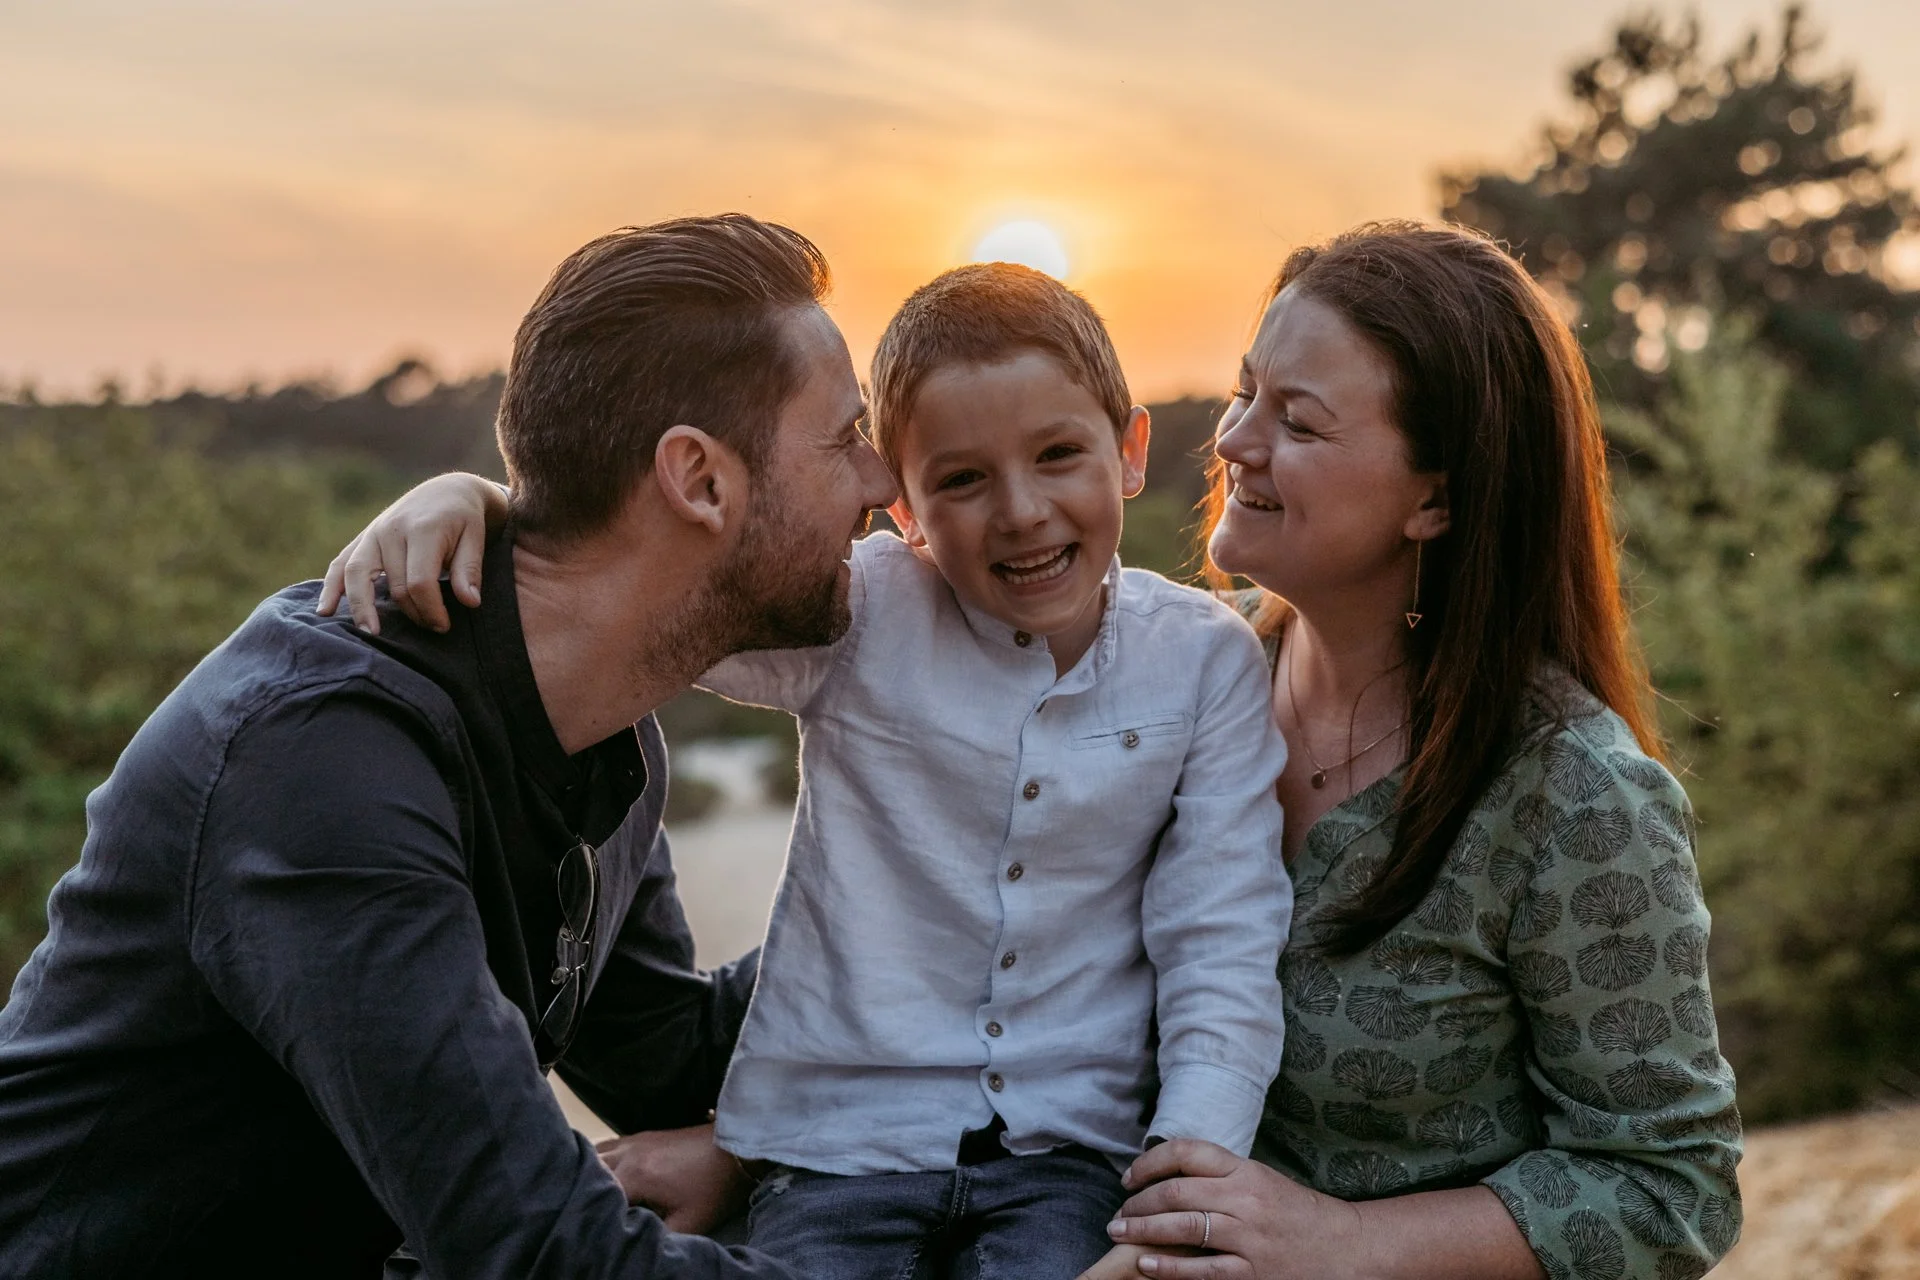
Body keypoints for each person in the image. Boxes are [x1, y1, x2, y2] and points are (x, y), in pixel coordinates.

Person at [319, 261, 1295, 1279]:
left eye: (1059, 454)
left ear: (1130, 450)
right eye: (960, 478)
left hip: (1069, 1155)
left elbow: (1218, 931)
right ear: (900, 502)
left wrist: (1186, 1187)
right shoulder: (864, 613)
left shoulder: (1204, 658)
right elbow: (640, 604)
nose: (1021, 510)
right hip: (831, 1152)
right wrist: (485, 504)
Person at [0, 214, 896, 1278]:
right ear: (698, 479)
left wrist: (984, 893)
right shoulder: (323, 756)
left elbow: (678, 1059)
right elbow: (532, 1248)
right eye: (845, 437)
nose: (884, 483)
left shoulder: (609, 741)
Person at [1085, 222, 1743, 1279]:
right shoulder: (1181, 682)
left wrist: (1345, 1241)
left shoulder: (1573, 798)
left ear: (1434, 498)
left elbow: (1673, 1184)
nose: (1236, 440)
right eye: (1246, 390)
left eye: (1297, 419)